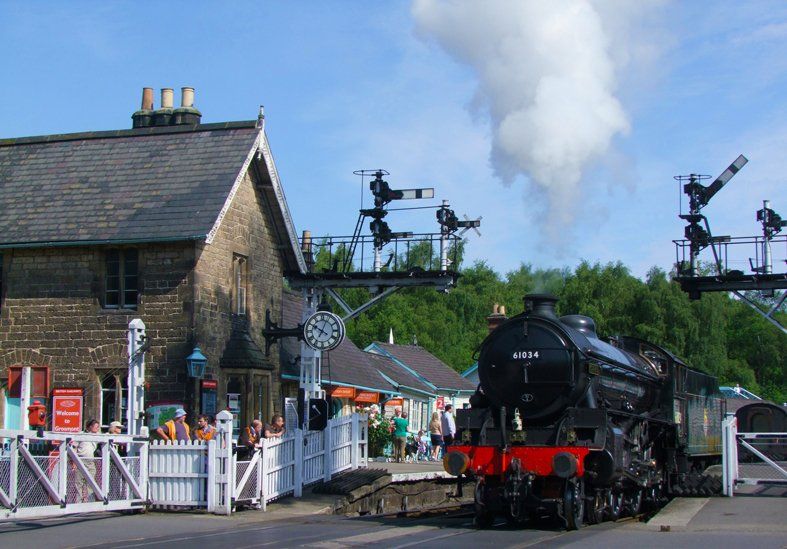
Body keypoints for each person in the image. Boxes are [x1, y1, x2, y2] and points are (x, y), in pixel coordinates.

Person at [75, 419, 100, 502]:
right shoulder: (81, 435)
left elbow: (108, 436)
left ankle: (87, 499)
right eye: (96, 427)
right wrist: (73, 460)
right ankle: (79, 502)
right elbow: (74, 446)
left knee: (91, 481)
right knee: (79, 482)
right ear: (90, 427)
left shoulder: (98, 436)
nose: (97, 429)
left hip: (90, 461)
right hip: (80, 460)